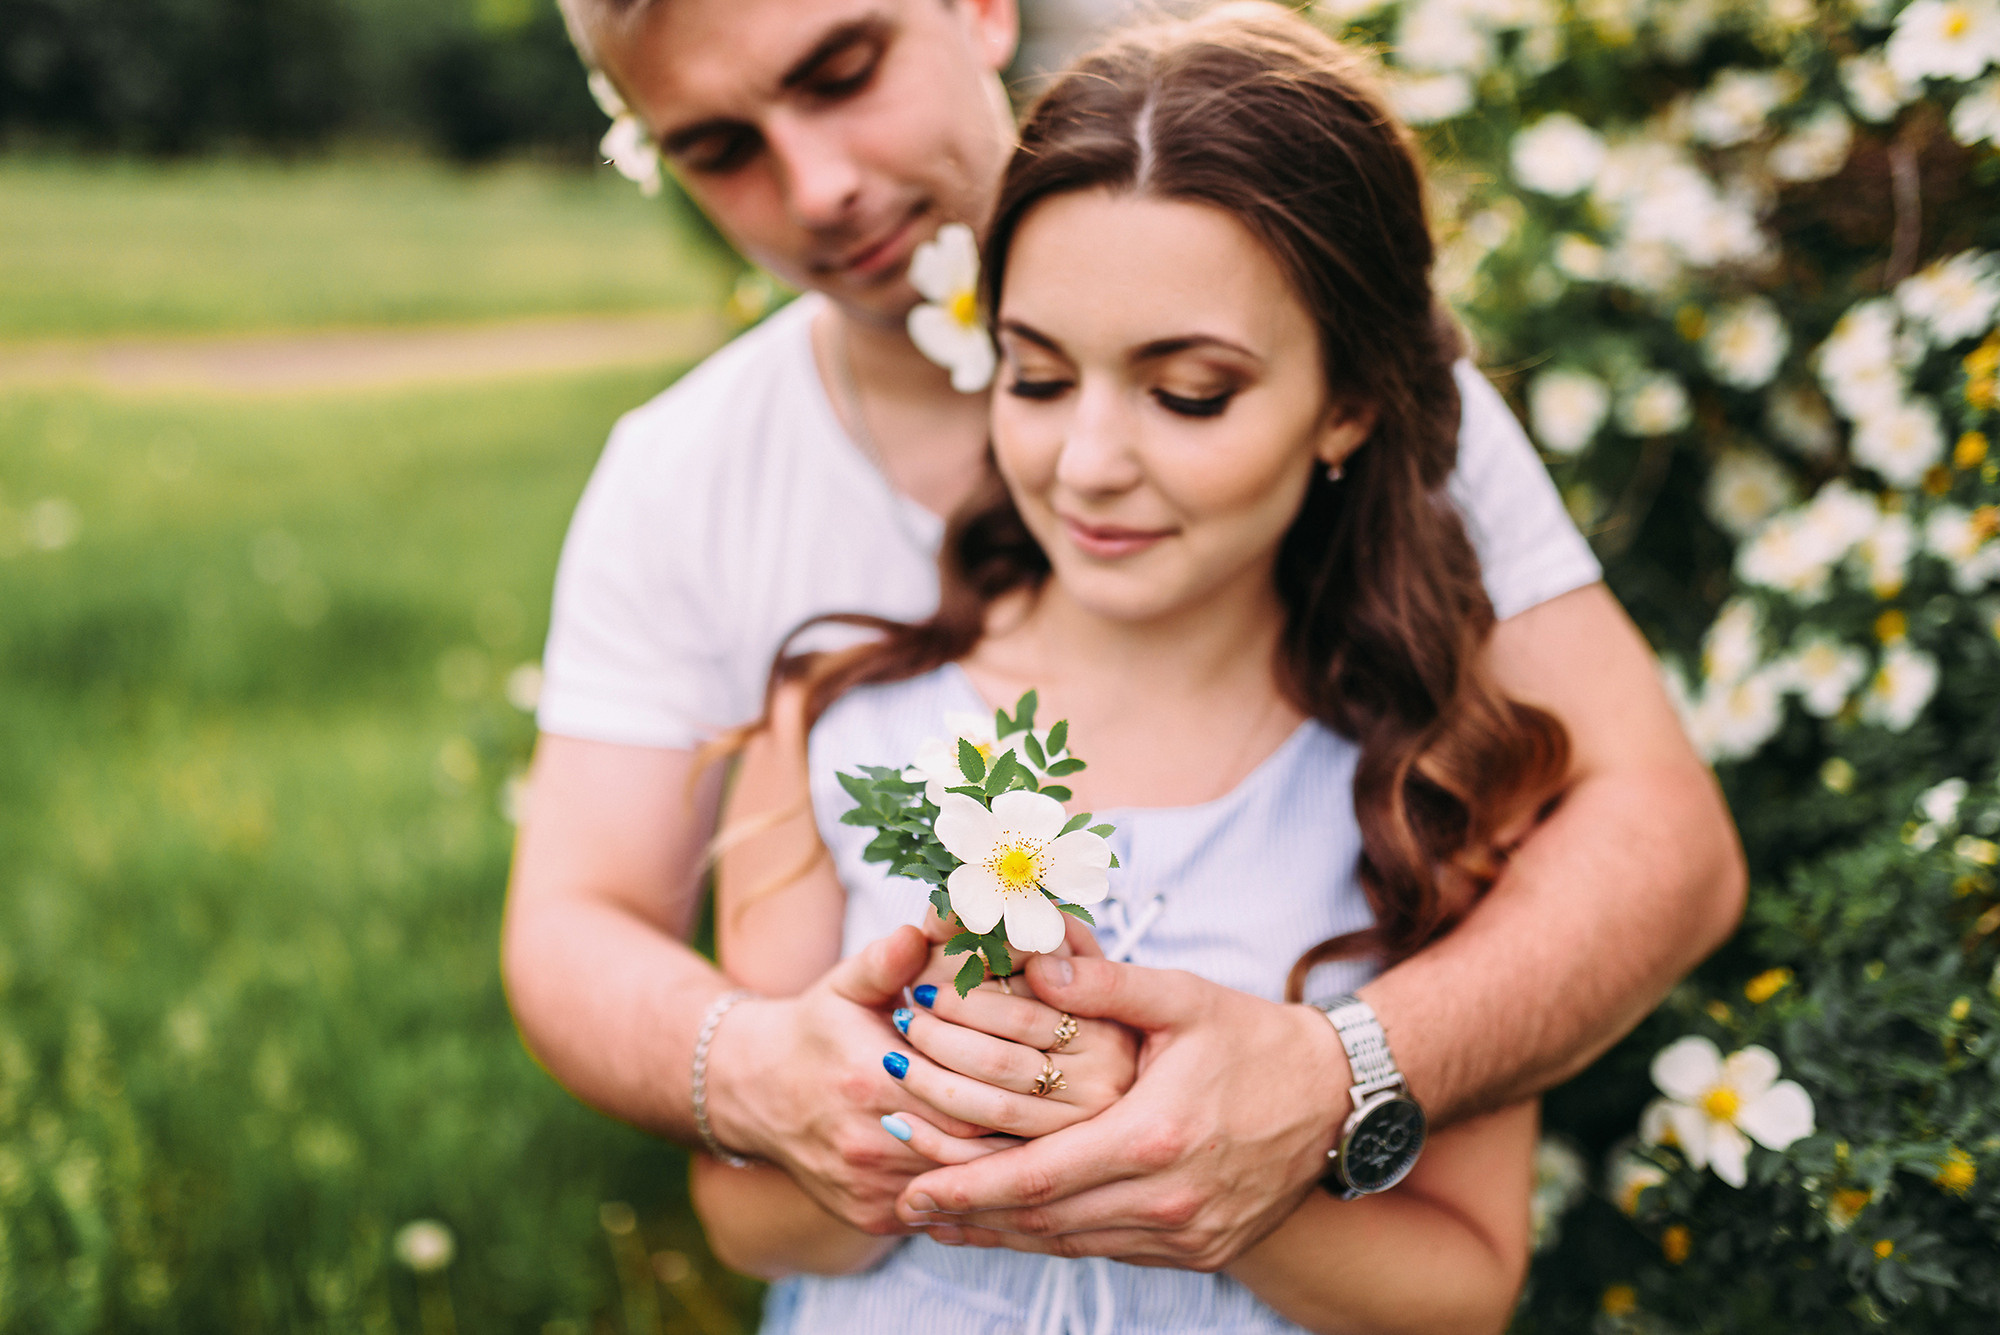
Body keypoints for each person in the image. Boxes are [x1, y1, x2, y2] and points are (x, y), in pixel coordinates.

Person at [503, 0, 1743, 1268]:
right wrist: (760, 1073)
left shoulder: (1358, 382)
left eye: (844, 70)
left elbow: (1662, 839)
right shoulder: (691, 490)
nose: (817, 187)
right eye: (717, 148)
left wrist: (1327, 1080)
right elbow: (570, 922)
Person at [693, 12, 1571, 1331]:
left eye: (1191, 393)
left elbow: (1462, 1281)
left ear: (1346, 403)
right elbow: (742, 1213)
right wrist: (916, 1109)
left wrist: (1178, 1147)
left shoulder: (1435, 769)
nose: (1089, 459)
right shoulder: (834, 723)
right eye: (1038, 376)